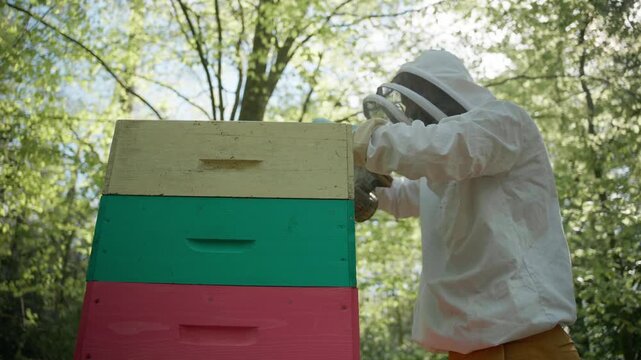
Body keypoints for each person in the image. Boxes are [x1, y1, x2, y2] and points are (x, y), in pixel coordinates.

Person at [353, 50, 581, 359]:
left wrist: (363, 141)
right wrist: (360, 181)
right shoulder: (441, 175)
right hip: (465, 348)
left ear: (438, 93)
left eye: (413, 106)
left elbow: (443, 148)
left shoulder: (503, 123)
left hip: (528, 342)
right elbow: (402, 197)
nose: (410, 116)